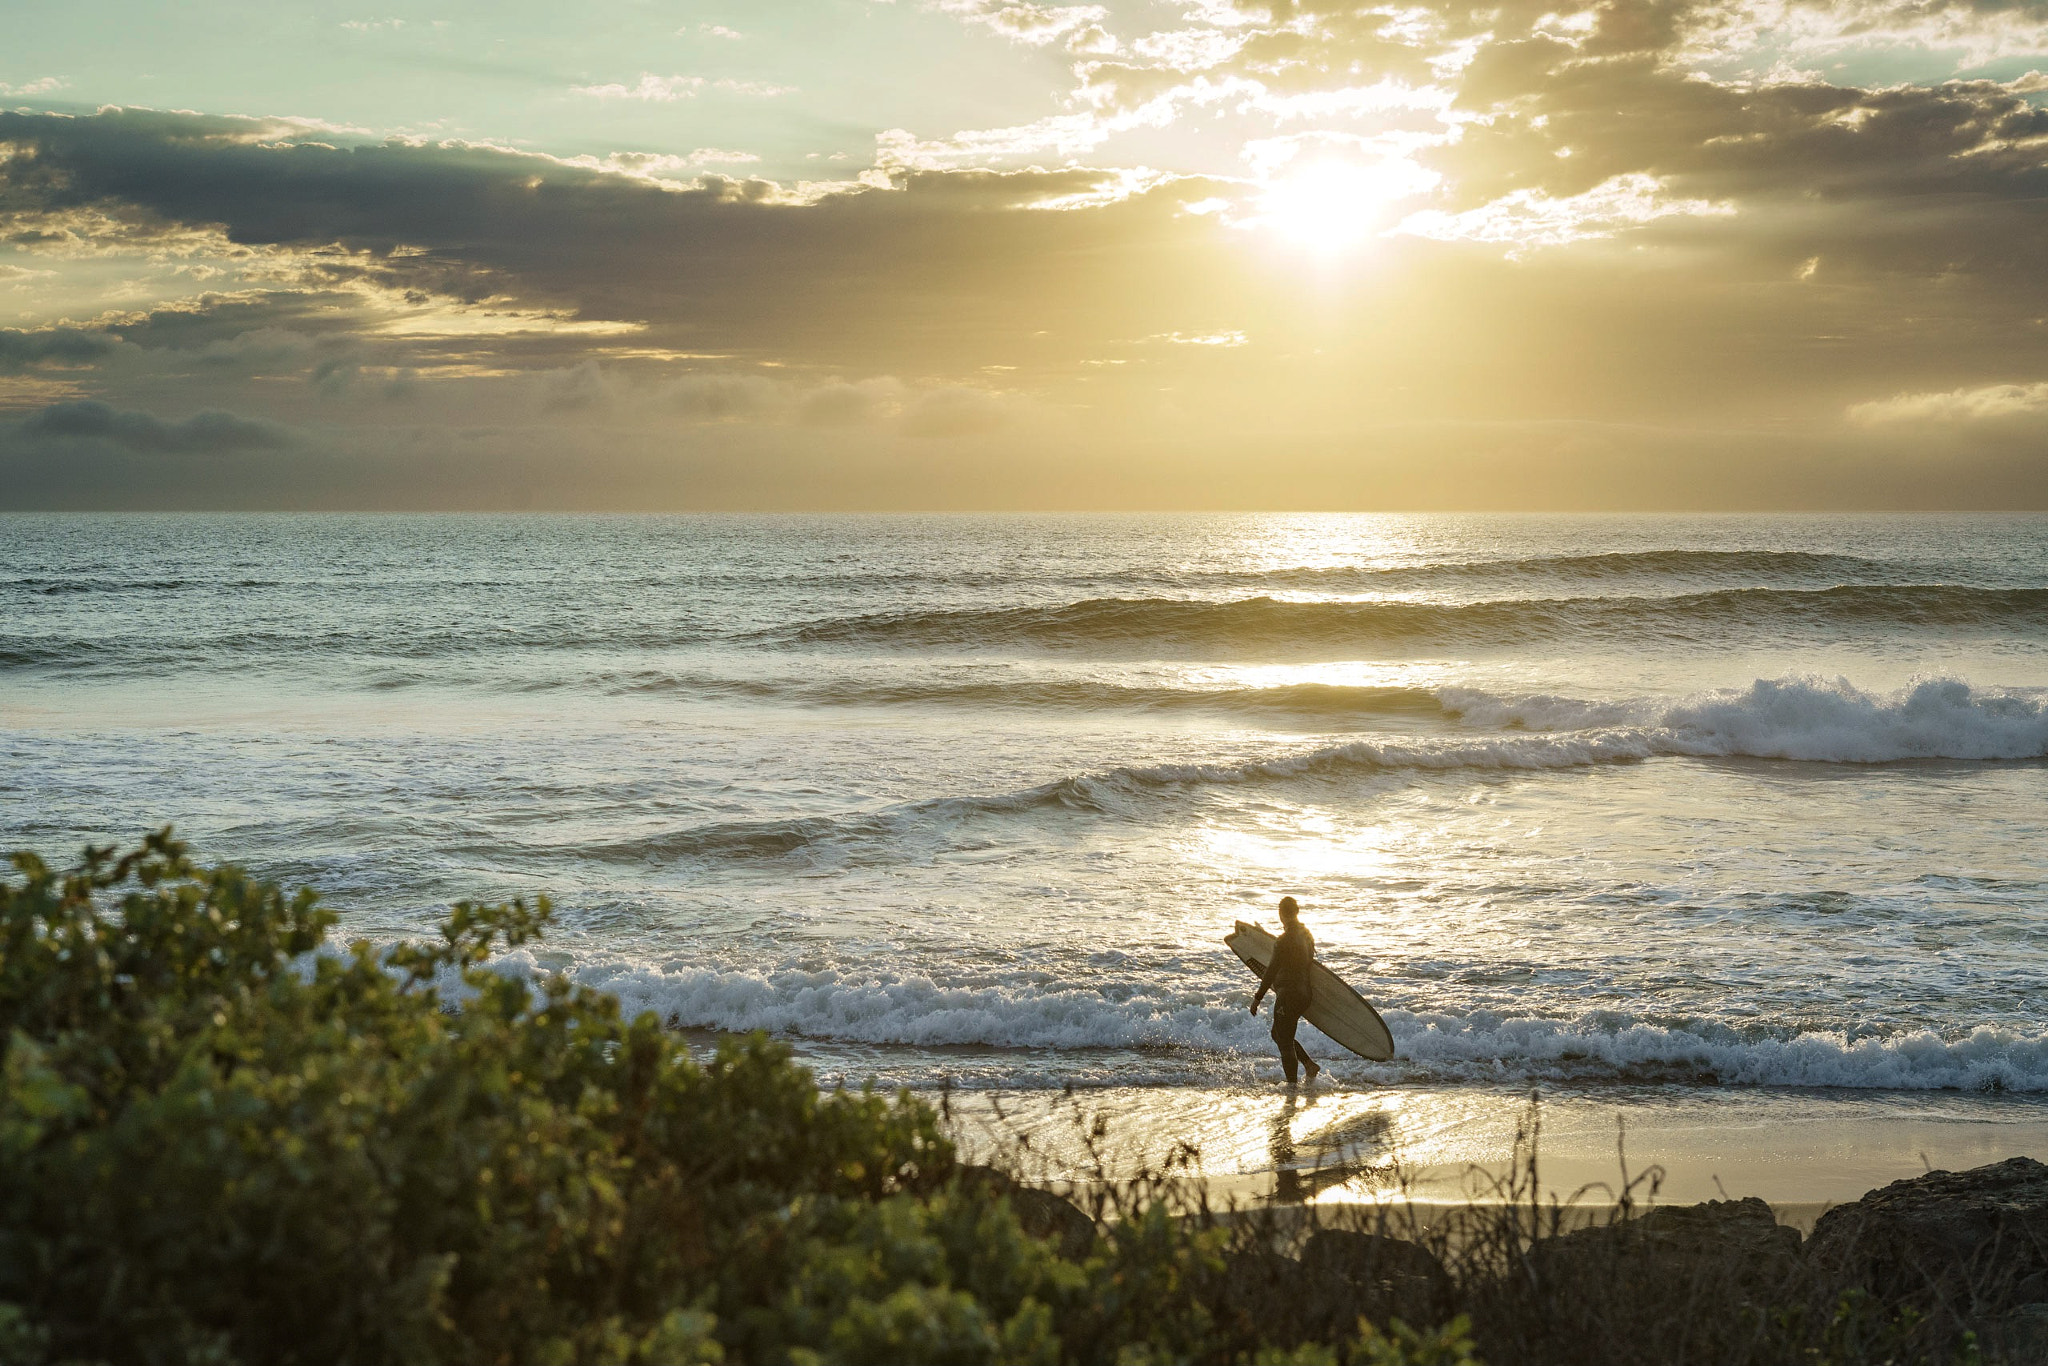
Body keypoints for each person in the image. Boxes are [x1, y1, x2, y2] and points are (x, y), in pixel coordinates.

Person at [1249, 895, 1320, 1085]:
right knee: (1278, 1034)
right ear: (1296, 912)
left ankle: (1292, 1088)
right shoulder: (1306, 935)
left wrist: (1257, 998)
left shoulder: (1284, 940)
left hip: (1288, 995)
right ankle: (1309, 1065)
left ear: (1281, 914)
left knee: (1285, 1040)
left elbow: (1271, 970)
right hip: (1304, 994)